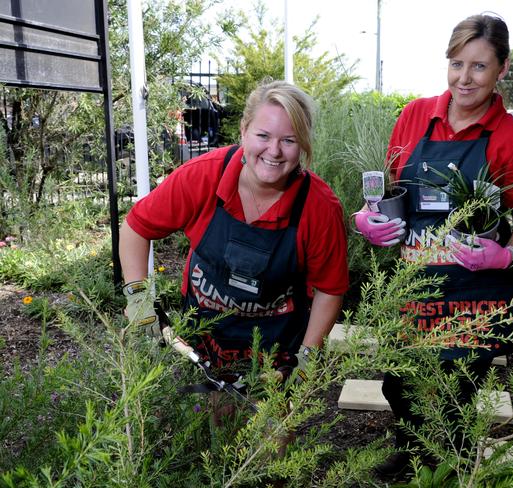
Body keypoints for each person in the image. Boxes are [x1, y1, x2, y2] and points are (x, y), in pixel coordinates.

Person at [354, 14, 513, 477]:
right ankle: (413, 452)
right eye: (456, 64)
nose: (464, 78)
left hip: (473, 294)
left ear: (503, 68)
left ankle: (455, 466)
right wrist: (367, 219)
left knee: (458, 390)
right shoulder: (415, 117)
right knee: (398, 385)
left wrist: (508, 253)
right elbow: (388, 195)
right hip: (413, 286)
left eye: (478, 66)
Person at [119, 80, 348, 389]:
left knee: (272, 435)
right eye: (263, 136)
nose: (274, 151)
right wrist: (137, 297)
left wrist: (306, 357)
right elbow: (136, 226)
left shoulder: (319, 206)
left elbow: (330, 289)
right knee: (207, 428)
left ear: (304, 144)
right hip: (201, 340)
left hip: (276, 351)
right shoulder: (202, 176)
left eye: (289, 140)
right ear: (243, 131)